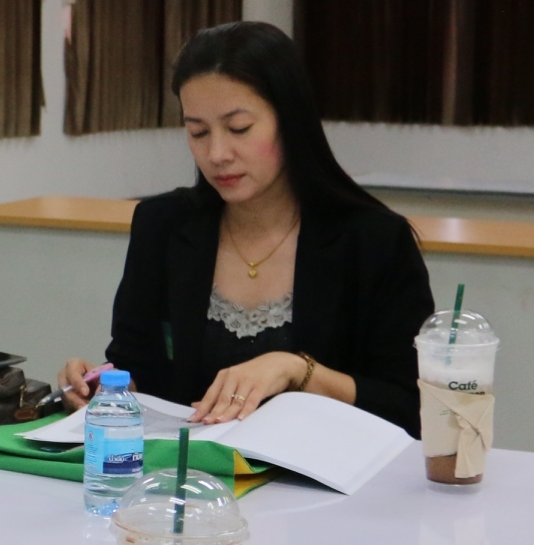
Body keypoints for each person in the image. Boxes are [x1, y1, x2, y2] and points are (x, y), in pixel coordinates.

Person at [57, 21, 434, 434]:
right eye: (198, 132)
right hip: (189, 466)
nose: (217, 153)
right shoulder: (163, 225)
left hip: (321, 467)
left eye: (239, 129)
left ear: (290, 120)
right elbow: (138, 367)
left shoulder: (375, 241)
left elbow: (408, 405)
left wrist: (298, 371)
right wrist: (105, 387)